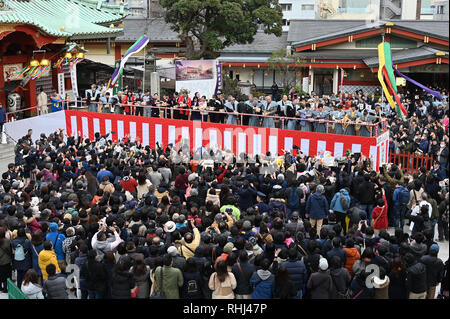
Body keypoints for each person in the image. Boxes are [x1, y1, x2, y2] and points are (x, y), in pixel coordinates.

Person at [0, 228, 12, 293]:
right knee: (6, 275)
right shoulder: (7, 241)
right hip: (6, 261)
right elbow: (10, 250)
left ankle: (0, 287)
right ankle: (5, 288)